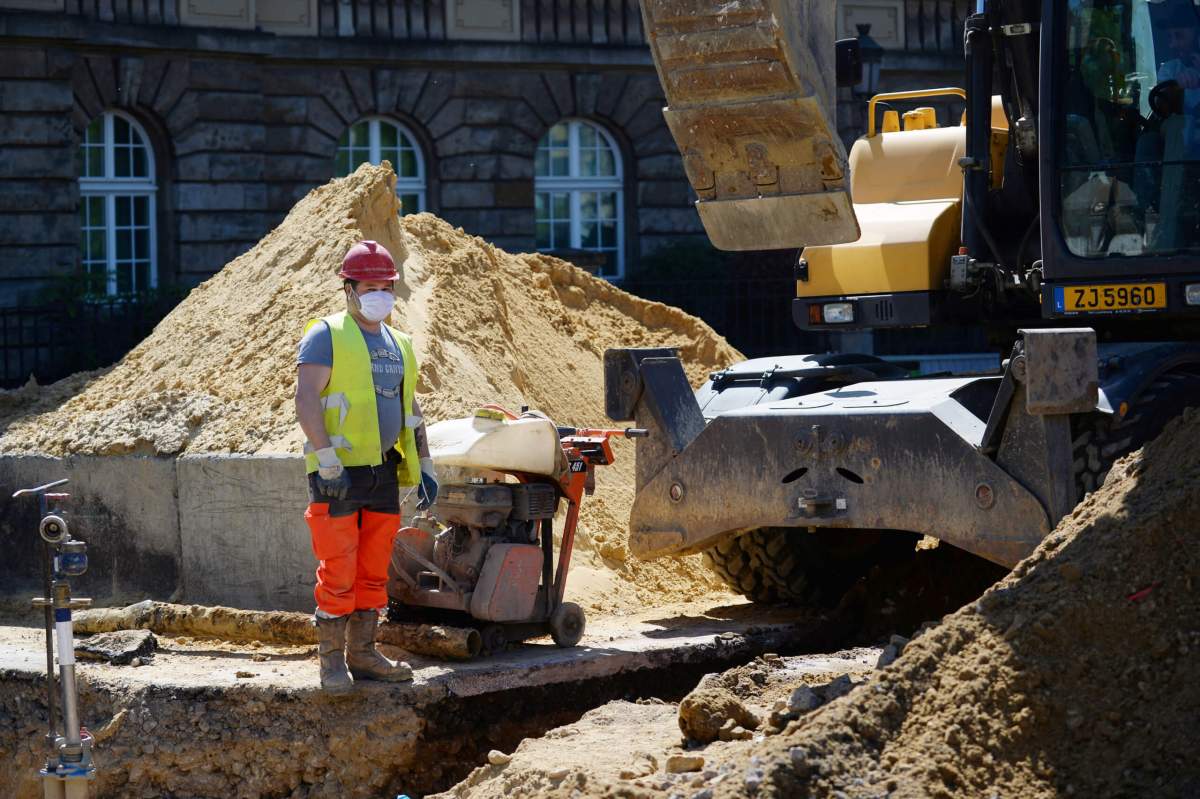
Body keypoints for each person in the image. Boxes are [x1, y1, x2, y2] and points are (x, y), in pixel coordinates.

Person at [295, 239, 439, 692]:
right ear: (349, 288)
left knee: (374, 569)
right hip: (337, 473)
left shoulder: (400, 344)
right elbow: (306, 398)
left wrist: (426, 462)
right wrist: (326, 459)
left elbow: (410, 406)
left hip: (382, 471)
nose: (380, 292)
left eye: (386, 285)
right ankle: (331, 664)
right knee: (338, 568)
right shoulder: (327, 334)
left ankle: (364, 654)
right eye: (370, 284)